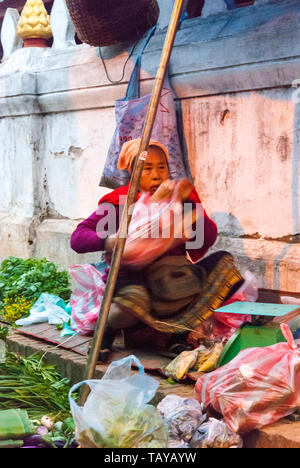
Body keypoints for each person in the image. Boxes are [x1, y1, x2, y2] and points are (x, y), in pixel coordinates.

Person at [71, 139, 244, 361]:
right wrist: (111, 241)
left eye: (162, 167)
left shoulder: (179, 200)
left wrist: (191, 205)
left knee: (224, 265)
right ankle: (105, 334)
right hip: (134, 282)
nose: (156, 175)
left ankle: (177, 338)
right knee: (132, 300)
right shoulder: (118, 202)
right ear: (132, 172)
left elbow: (203, 241)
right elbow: (78, 238)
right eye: (147, 168)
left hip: (173, 280)